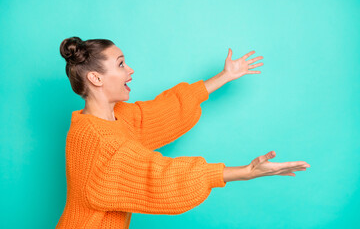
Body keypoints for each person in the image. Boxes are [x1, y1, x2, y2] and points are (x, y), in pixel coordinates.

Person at [56, 37, 311, 229]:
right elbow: (158, 175)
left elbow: (166, 109)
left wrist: (224, 76)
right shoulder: (98, 141)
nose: (130, 70)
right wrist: (246, 172)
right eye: (121, 64)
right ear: (96, 79)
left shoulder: (116, 118)